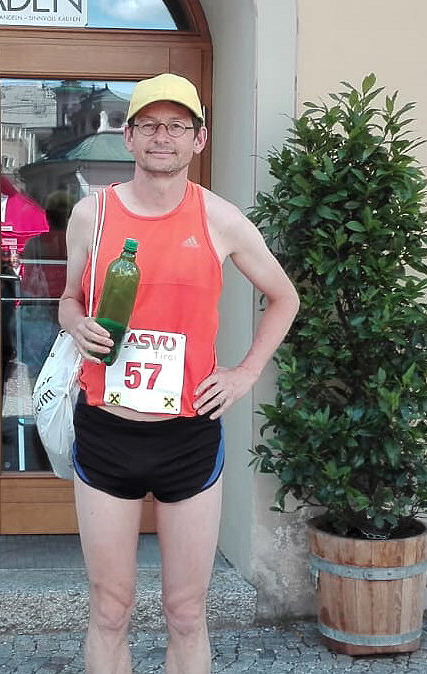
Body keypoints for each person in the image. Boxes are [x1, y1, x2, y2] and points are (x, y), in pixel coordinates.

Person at [59, 73, 299, 674]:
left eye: (176, 126)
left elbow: (285, 297)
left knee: (187, 613)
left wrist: (244, 373)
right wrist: (76, 324)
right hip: (107, 430)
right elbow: (68, 299)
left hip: (188, 435)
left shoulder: (221, 219)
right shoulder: (92, 215)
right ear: (129, 136)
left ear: (199, 138)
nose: (161, 137)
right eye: (148, 125)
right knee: (110, 610)